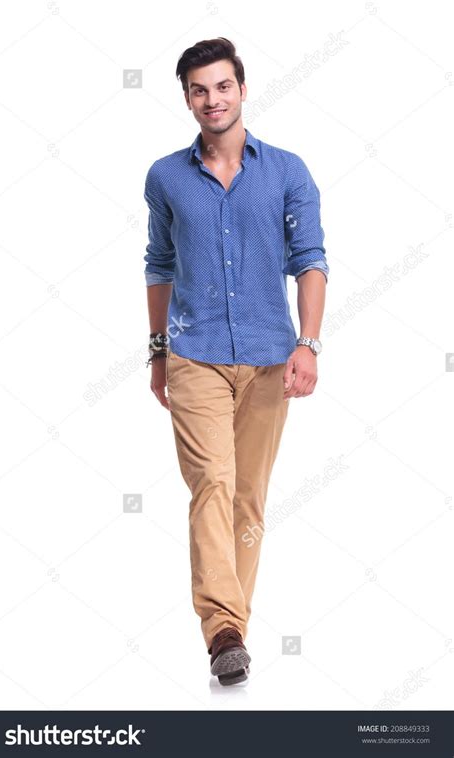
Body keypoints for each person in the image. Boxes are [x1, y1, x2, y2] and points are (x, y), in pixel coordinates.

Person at [143, 37, 329, 686]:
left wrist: (308, 343)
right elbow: (159, 267)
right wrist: (158, 354)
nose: (212, 99)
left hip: (269, 359)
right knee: (212, 485)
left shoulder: (287, 171)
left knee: (248, 499)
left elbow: (310, 260)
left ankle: (234, 632)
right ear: (187, 99)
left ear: (242, 90)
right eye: (199, 89)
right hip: (193, 355)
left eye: (223, 86)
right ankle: (222, 629)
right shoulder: (165, 177)